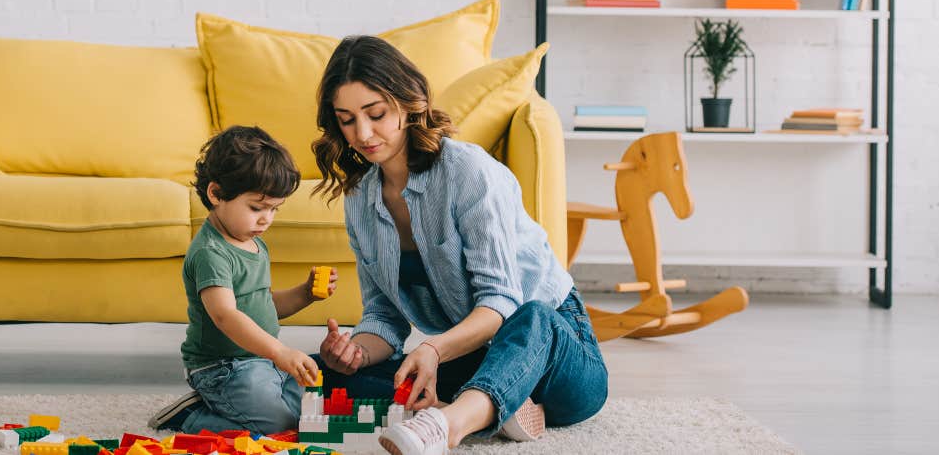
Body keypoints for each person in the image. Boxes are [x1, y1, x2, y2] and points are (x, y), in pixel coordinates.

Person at [311, 35, 607, 455]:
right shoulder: (360, 198)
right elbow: (384, 317)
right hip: (477, 359)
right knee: (326, 376)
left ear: (407, 102)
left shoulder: (468, 171)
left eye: (375, 114)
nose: (362, 133)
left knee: (532, 314)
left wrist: (432, 347)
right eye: (346, 119)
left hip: (557, 353)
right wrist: (354, 352)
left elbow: (501, 303)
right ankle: (495, 407)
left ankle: (447, 425)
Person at [148, 125, 339, 435]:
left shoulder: (253, 241)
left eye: (274, 209)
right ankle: (190, 417)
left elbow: (261, 304)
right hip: (223, 368)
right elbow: (226, 315)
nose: (266, 219)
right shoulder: (211, 252)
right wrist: (279, 352)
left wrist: (305, 294)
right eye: (256, 208)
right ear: (216, 194)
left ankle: (235, 405)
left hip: (262, 359)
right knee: (278, 424)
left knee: (306, 411)